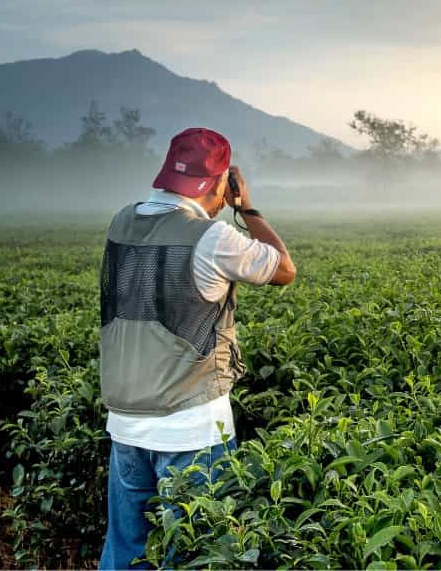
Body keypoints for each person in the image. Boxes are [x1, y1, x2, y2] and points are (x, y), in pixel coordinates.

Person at [98, 127, 295, 569]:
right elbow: (284, 269)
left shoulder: (121, 223)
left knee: (126, 550)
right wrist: (247, 208)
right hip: (191, 426)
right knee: (197, 552)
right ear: (222, 181)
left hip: (125, 422)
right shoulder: (212, 237)